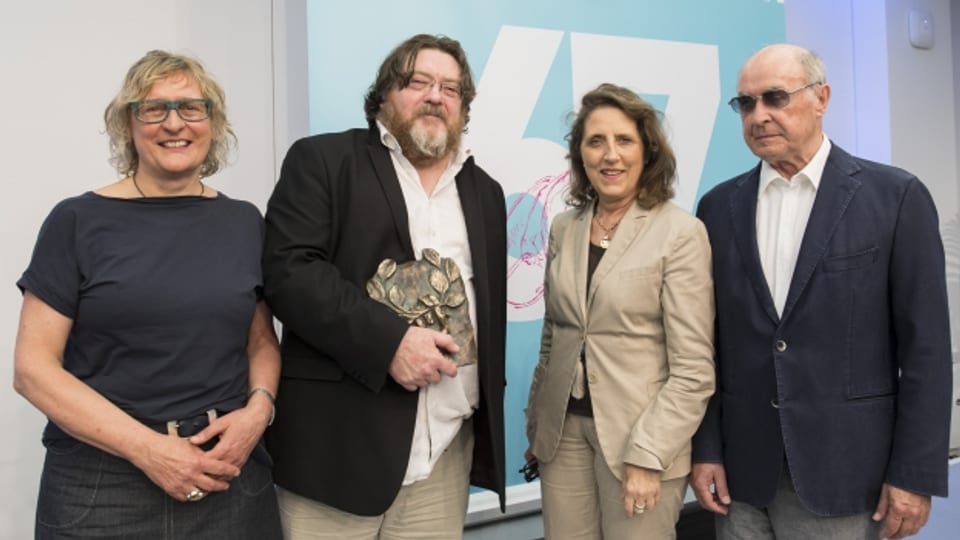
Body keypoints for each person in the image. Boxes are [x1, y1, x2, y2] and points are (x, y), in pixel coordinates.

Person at [13, 50, 282, 539]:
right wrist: (149, 450)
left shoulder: (244, 222)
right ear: (128, 125)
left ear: (213, 123)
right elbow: (33, 370)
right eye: (153, 109)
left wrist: (259, 411)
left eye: (191, 108)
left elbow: (260, 340)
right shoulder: (76, 221)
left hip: (228, 474)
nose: (173, 123)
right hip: (102, 484)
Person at [691, 44, 952, 540]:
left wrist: (913, 475)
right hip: (742, 479)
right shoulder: (717, 208)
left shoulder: (895, 198)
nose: (759, 115)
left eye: (775, 98)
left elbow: (927, 352)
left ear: (822, 98)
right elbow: (706, 345)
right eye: (746, 104)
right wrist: (705, 450)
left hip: (848, 477)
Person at [262, 33, 507, 539]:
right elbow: (290, 271)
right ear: (384, 95)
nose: (435, 96)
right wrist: (389, 343)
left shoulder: (484, 192)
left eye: (451, 88)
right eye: (418, 82)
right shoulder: (324, 161)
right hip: (338, 455)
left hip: (445, 453)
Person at [524, 83, 716, 539]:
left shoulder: (680, 233)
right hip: (563, 437)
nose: (610, 155)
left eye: (624, 141)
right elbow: (554, 335)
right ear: (580, 155)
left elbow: (694, 370)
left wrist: (648, 454)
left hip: (639, 440)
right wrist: (538, 426)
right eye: (596, 141)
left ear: (647, 151)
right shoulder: (564, 228)